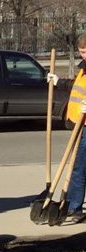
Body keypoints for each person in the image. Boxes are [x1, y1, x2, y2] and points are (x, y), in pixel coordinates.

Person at [47, 33, 86, 223]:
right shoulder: (83, 69)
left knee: (77, 167)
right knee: (78, 165)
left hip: (85, 126)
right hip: (79, 123)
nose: (83, 55)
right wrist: (58, 81)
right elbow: (75, 86)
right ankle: (73, 204)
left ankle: (74, 207)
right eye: (81, 51)